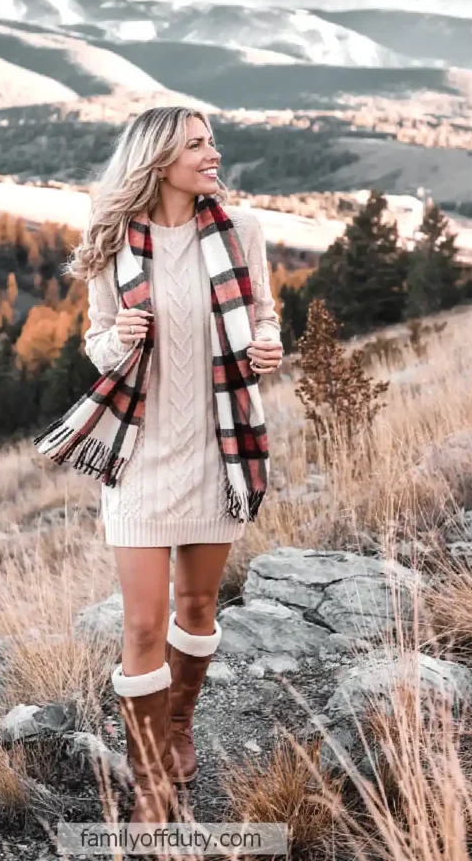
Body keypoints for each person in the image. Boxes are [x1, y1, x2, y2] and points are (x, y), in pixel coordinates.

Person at [34, 106, 283, 826]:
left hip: (217, 444)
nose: (214, 153)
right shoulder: (112, 242)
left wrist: (265, 345)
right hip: (140, 454)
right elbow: (96, 342)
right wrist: (121, 337)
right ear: (159, 159)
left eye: (211, 142)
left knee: (199, 607)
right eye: (198, 144)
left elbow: (262, 314)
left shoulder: (242, 231)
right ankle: (148, 782)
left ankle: (178, 723)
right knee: (143, 625)